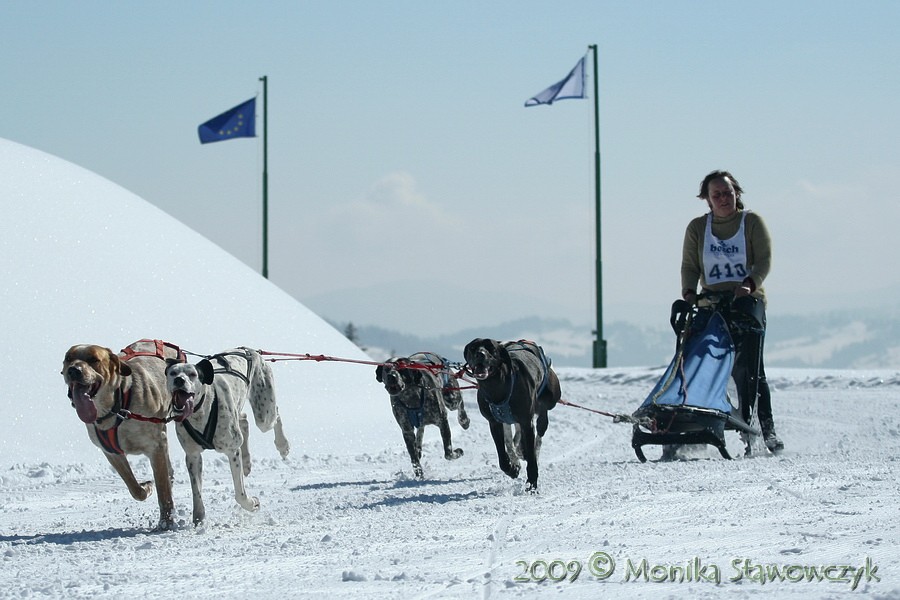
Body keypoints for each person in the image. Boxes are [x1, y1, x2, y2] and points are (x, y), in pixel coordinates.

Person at [680, 170, 783, 454]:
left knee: (749, 368)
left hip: (746, 300)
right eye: (717, 195)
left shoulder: (751, 223)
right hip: (711, 301)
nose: (724, 199)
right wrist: (689, 292)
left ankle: (765, 428)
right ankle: (693, 424)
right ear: (708, 200)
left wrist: (749, 285)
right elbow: (690, 266)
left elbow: (763, 260)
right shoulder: (698, 228)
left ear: (737, 193)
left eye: (728, 193)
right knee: (694, 360)